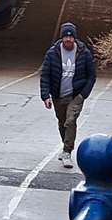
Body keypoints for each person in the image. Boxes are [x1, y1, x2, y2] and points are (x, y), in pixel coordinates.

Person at [39, 23, 94, 168]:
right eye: (66, 36)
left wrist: (83, 95)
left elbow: (91, 76)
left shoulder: (83, 52)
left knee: (70, 120)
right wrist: (45, 96)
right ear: (62, 38)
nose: (68, 39)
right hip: (58, 95)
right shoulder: (52, 53)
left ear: (75, 38)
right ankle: (66, 145)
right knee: (62, 122)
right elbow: (45, 75)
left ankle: (67, 151)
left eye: (71, 36)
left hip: (76, 95)